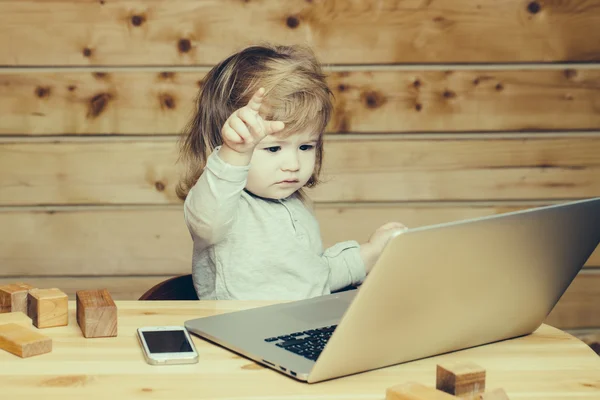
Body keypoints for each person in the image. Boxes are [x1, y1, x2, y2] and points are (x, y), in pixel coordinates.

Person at [177, 44, 406, 300]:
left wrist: (370, 253)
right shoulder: (221, 206)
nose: (293, 164)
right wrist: (235, 154)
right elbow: (207, 222)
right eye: (274, 148)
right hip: (241, 329)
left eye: (306, 146)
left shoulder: (293, 205)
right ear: (228, 141)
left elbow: (311, 280)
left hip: (299, 326)